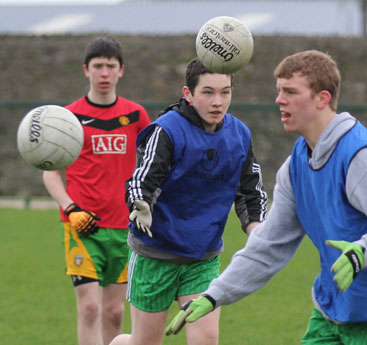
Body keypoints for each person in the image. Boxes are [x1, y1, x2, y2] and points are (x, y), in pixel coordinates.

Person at [165, 50, 367, 345]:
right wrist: (215, 294)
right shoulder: (296, 166)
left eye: (291, 92)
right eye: (279, 91)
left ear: (322, 98)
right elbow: (269, 244)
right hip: (331, 312)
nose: (280, 100)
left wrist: (363, 251)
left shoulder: (360, 155)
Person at [109, 57, 268, 345]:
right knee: (144, 342)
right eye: (208, 92)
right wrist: (139, 203)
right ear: (188, 94)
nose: (217, 101)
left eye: (225, 92)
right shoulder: (167, 130)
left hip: (202, 258)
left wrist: (256, 227)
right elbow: (142, 179)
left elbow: (249, 189)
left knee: (206, 339)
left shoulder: (239, 135)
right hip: (154, 254)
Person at [43, 36, 151, 345]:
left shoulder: (135, 116)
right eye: (98, 66)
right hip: (82, 226)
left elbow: (153, 162)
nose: (104, 73)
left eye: (110, 66)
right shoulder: (68, 119)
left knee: (115, 312)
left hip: (124, 227)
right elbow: (51, 174)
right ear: (85, 70)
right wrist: (70, 208)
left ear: (121, 71)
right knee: (89, 307)